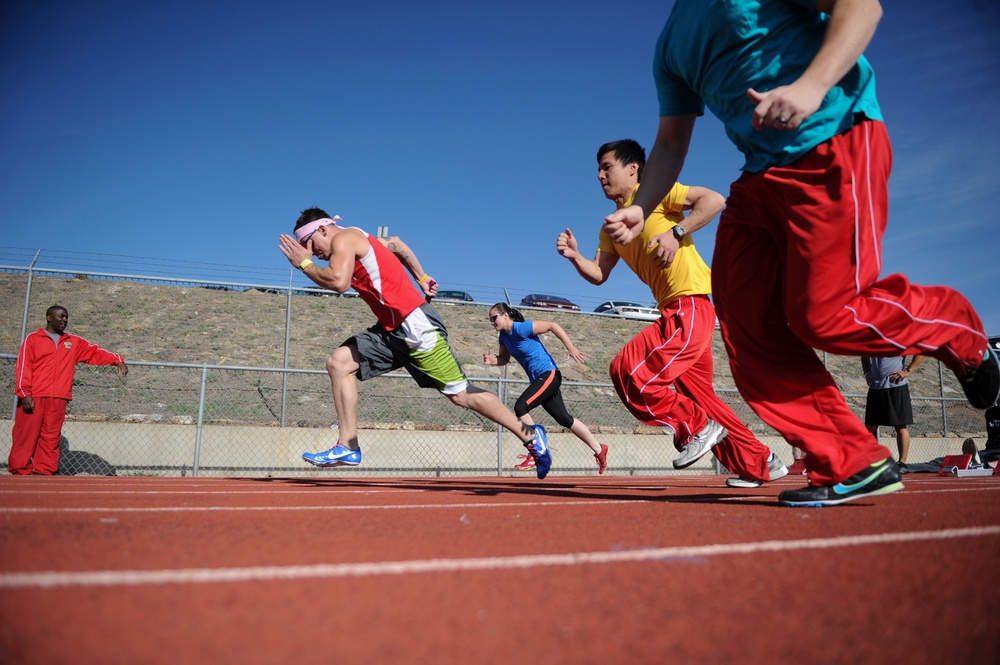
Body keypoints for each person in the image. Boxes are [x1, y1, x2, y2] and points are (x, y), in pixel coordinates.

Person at [601, 0, 998, 506]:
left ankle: (956, 330)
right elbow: (670, 140)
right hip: (759, 176)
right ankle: (851, 460)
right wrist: (642, 207)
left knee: (824, 317)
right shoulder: (671, 47)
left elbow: (862, 9)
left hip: (834, 138)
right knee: (746, 324)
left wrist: (810, 86)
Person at [557, 139, 787, 488]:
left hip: (691, 303)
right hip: (675, 309)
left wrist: (676, 232)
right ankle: (762, 461)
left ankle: (695, 427)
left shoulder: (656, 194)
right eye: (599, 170)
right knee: (702, 399)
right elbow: (600, 274)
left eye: (607, 167)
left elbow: (714, 200)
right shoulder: (612, 226)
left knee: (628, 370)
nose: (600, 175)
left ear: (633, 168)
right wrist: (576, 257)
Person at [278, 208, 552, 479]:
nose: (311, 252)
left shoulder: (344, 238)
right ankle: (348, 445)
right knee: (338, 363)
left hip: (414, 325)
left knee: (460, 394)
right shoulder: (363, 239)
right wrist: (421, 276)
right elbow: (398, 244)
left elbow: (338, 282)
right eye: (306, 250)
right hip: (391, 330)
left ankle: (529, 434)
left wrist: (304, 264)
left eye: (309, 244)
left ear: (323, 230)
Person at [483, 302, 608, 474]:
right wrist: (493, 361)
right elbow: (505, 359)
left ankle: (536, 450)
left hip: (549, 374)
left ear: (505, 315)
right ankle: (600, 450)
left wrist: (570, 347)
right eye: (490, 320)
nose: (492, 322)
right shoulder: (503, 338)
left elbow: (552, 325)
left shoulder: (522, 328)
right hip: (539, 379)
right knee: (564, 419)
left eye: (494, 318)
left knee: (521, 407)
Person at [9, 305, 128, 475]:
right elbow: (23, 367)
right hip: (34, 396)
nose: (64, 320)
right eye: (61, 316)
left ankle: (44, 472)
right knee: (25, 435)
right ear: (49, 317)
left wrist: (117, 360)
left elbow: (94, 353)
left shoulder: (73, 342)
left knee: (50, 437)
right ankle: (20, 471)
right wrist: (24, 393)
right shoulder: (33, 339)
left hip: (59, 398)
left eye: (66, 317)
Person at [862, 355, 924, 466]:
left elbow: (921, 351)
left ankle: (902, 463)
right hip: (875, 388)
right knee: (870, 428)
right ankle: (871, 461)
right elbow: (864, 355)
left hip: (896, 386)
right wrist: (866, 373)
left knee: (900, 426)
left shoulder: (899, 338)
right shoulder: (871, 338)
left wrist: (907, 370)